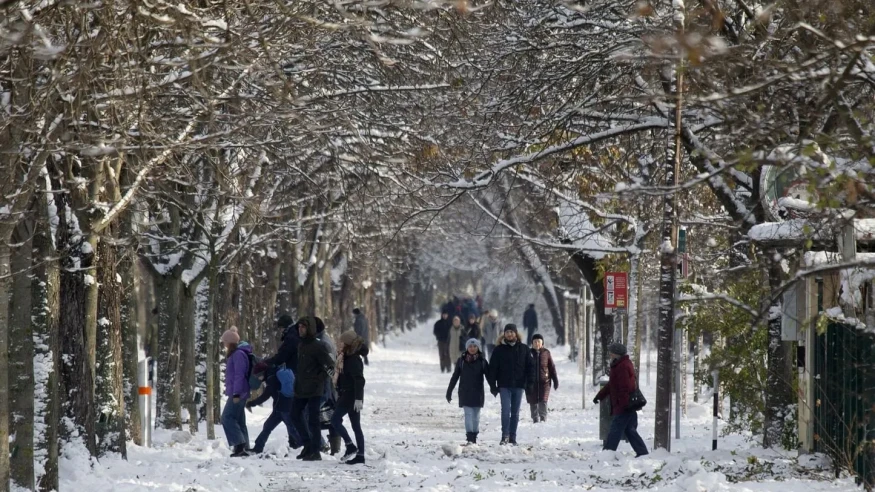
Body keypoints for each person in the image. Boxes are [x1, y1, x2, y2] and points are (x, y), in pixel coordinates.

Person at [291, 317, 336, 461]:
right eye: (299, 327)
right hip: (301, 388)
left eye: (303, 327)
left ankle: (315, 450)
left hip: (315, 389)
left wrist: (319, 378)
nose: (300, 329)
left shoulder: (319, 346)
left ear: (309, 328)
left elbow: (330, 366)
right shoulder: (301, 345)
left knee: (313, 419)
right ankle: (307, 444)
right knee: (294, 415)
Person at [593, 343, 649, 457]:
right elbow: (611, 385)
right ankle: (642, 452)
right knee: (629, 430)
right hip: (626, 404)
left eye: (611, 352)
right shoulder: (619, 364)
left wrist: (623, 405)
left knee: (615, 430)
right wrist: (599, 396)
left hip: (624, 405)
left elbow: (625, 387)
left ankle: (607, 453)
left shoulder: (622, 366)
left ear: (616, 354)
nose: (610, 354)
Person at [488, 324, 535, 445]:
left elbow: (530, 367)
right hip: (504, 385)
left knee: (515, 412)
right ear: (504, 334)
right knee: (505, 411)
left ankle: (513, 437)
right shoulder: (498, 350)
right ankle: (505, 436)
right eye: (507, 332)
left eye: (512, 332)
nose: (509, 334)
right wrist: (492, 385)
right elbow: (492, 369)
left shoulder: (524, 349)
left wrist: (530, 384)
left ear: (516, 334)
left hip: (519, 386)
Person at [446, 338, 495, 445]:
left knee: (476, 416)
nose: (472, 348)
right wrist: (449, 391)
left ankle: (475, 435)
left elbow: (489, 376)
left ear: (478, 348)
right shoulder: (461, 361)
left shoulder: (482, 361)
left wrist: (493, 388)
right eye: (470, 346)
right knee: (468, 414)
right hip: (465, 392)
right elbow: (455, 377)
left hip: (478, 392)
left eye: (475, 346)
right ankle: (469, 437)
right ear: (467, 348)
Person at [331, 330, 368, 465]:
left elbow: (359, 380)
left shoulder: (353, 359)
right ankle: (361, 455)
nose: (339, 345)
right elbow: (343, 376)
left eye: (341, 342)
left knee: (335, 420)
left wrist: (358, 398)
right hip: (347, 394)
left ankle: (350, 446)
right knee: (356, 426)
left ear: (347, 344)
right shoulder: (345, 357)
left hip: (350, 396)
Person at [247, 362, 302, 454]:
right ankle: (258, 447)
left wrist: (253, 403)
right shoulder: (274, 375)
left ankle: (304, 446)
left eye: (258, 375)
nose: (258, 378)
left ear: (262, 373)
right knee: (268, 426)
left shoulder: (271, 378)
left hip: (284, 408)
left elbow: (266, 395)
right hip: (280, 408)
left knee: (291, 429)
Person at [221, 327, 252, 457]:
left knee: (227, 417)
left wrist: (236, 393)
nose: (223, 344)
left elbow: (239, 375)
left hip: (238, 392)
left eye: (224, 341)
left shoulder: (238, 355)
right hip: (239, 392)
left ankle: (239, 446)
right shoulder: (236, 354)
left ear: (230, 342)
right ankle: (244, 447)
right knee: (238, 420)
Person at [314, 317, 342, 455]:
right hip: (328, 387)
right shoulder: (324, 339)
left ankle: (324, 446)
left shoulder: (323, 343)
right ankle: (334, 448)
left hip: (326, 387)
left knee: (318, 416)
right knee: (330, 417)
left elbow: (330, 366)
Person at [526, 334, 558, 423]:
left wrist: (555, 379)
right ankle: (535, 418)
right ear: (532, 343)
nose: (537, 344)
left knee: (543, 400)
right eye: (535, 342)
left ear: (542, 343)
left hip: (545, 381)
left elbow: (552, 367)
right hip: (531, 382)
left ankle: (543, 417)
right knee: (533, 401)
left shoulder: (546, 353)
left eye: (539, 342)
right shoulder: (528, 353)